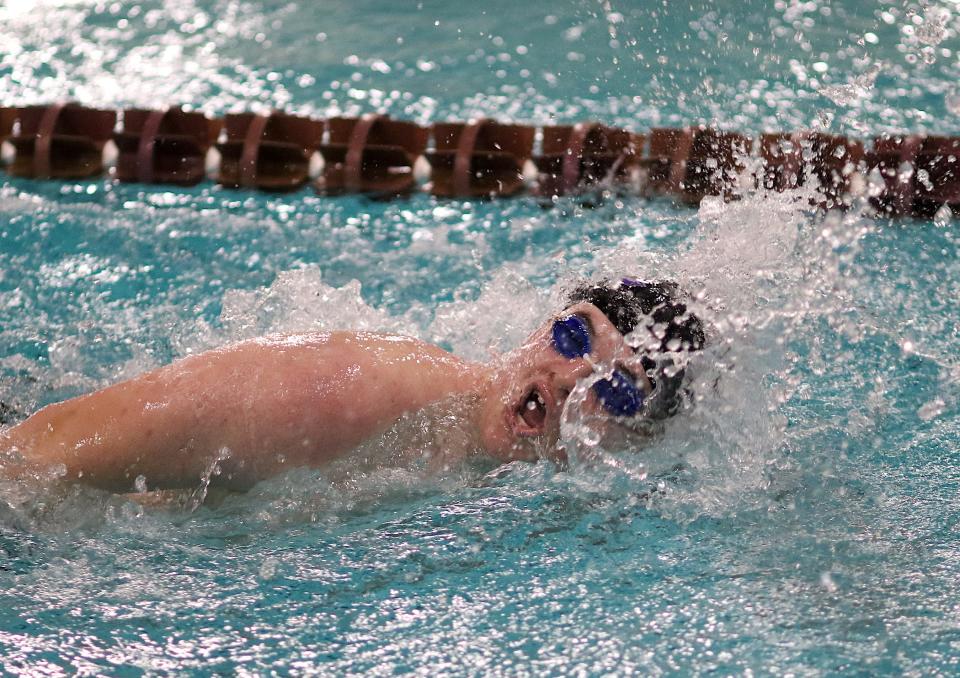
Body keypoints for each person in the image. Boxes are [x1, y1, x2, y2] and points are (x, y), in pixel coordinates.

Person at [0, 279, 705, 493]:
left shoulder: (465, 468)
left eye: (614, 394)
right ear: (536, 330)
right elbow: (28, 459)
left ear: (634, 440)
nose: (567, 381)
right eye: (574, 339)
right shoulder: (344, 392)